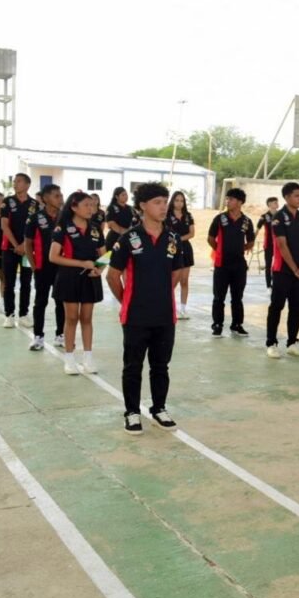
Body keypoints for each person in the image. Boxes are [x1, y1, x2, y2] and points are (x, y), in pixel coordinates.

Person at [106, 183, 186, 434]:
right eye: (157, 202)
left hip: (164, 314)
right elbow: (112, 276)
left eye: (165, 201)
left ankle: (159, 408)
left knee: (161, 365)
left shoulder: (172, 238)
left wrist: (159, 295)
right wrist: (129, 299)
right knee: (133, 366)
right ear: (142, 205)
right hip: (135, 315)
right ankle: (131, 412)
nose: (164, 207)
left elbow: (176, 274)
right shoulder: (129, 238)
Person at [49, 191, 106, 375]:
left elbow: (104, 255)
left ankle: (88, 358)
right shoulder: (62, 228)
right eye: (86, 205)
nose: (91, 209)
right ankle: (69, 359)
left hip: (90, 278)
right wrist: (81, 263)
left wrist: (99, 269)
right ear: (74, 207)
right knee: (71, 318)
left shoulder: (96, 228)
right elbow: (53, 257)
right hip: (69, 278)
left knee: (87, 318)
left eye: (93, 205)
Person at [265, 183, 299, 358]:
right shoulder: (278, 217)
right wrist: (294, 268)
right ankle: (271, 343)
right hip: (282, 270)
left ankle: (292, 342)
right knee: (276, 306)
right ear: (287, 197)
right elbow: (282, 246)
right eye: (296, 196)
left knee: (296, 308)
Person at [207, 188, 255, 337]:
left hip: (239, 265)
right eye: (227, 199)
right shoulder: (220, 219)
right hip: (222, 264)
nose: (228, 201)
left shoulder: (247, 221)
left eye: (231, 199)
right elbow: (210, 238)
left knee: (237, 297)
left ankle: (237, 324)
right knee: (218, 297)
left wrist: (242, 249)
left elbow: (251, 241)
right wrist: (219, 250)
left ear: (240, 202)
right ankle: (217, 325)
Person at [24, 184, 65, 351]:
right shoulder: (34, 218)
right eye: (56, 195)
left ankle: (60, 334)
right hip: (42, 268)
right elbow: (28, 244)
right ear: (46, 198)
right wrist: (34, 266)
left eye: (61, 194)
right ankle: (38, 337)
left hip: (61, 268)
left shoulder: (65, 217)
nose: (60, 198)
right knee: (40, 302)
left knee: (61, 302)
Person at [0, 173, 37, 328]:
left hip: (27, 251)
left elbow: (36, 229)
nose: (15, 184)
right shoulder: (7, 202)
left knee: (26, 282)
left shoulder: (35, 204)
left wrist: (25, 246)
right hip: (10, 249)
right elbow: (4, 225)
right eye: (14, 182)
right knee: (8, 282)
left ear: (28, 185)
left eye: (19, 181)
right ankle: (9, 314)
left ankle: (23, 314)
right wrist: (17, 245)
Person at [165, 191, 195, 320]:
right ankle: (168, 307)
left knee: (184, 281)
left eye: (182, 201)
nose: (179, 203)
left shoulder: (188, 216)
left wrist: (179, 239)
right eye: (177, 200)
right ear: (172, 201)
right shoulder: (167, 215)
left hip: (185, 249)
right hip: (171, 249)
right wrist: (174, 241)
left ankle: (183, 309)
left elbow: (192, 233)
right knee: (172, 281)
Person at [256, 197, 279, 289]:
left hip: (278, 244)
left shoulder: (280, 215)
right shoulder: (264, 216)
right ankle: (268, 286)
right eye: (275, 203)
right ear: (269, 205)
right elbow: (257, 229)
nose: (277, 204)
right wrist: (251, 240)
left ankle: (276, 283)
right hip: (268, 244)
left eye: (277, 202)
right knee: (268, 264)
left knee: (278, 264)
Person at [105, 186, 137, 250]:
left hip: (128, 238)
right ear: (117, 197)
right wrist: (128, 232)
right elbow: (111, 224)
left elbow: (136, 222)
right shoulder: (111, 208)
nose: (126, 196)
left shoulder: (130, 208)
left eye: (126, 194)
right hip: (114, 239)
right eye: (123, 195)